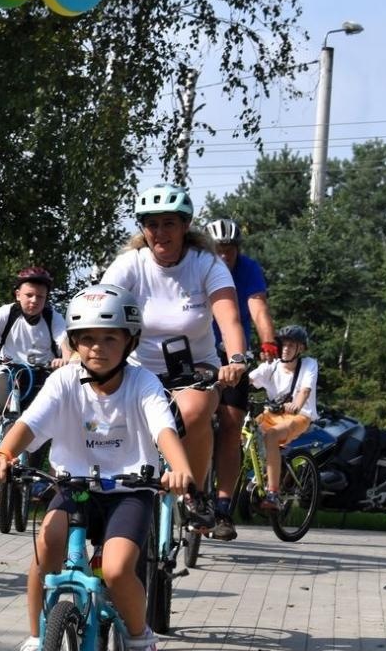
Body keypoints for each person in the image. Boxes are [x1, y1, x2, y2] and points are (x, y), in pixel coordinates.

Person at [0, 284, 194, 651]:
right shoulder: (64, 380)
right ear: (75, 343)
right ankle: (35, 640)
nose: (97, 347)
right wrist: (4, 454)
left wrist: (181, 469)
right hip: (75, 486)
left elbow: (163, 429)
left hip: (129, 491)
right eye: (87, 339)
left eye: (109, 337)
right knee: (47, 543)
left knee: (116, 570)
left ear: (129, 341)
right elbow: (30, 423)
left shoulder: (143, 383)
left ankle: (140, 643)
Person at [101, 184, 248, 540]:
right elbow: (100, 308)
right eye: (152, 225)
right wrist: (76, 353)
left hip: (195, 370)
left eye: (169, 223)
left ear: (185, 226)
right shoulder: (130, 264)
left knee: (195, 411)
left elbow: (228, 318)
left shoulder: (206, 264)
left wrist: (237, 359)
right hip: (140, 370)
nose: (160, 233)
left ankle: (194, 494)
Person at [204, 218, 278, 525]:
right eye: (217, 250)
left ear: (237, 250)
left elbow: (257, 307)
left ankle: (223, 505)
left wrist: (269, 341)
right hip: (198, 353)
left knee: (232, 425)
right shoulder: (195, 266)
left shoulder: (248, 269)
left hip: (232, 355)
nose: (223, 256)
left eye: (229, 250)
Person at [0, 266, 67, 440]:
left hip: (42, 372)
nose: (34, 300)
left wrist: (65, 360)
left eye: (40, 297)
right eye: (29, 295)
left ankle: (32, 462)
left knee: (41, 421)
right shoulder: (8, 312)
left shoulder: (53, 317)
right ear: (17, 295)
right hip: (8, 371)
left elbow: (65, 342)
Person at [249, 325, 318, 511]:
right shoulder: (271, 366)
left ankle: (273, 492)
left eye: (291, 345)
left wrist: (296, 404)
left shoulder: (309, 364)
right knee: (243, 431)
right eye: (283, 345)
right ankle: (261, 471)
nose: (285, 348)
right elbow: (249, 379)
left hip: (298, 416)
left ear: (301, 348)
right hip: (271, 414)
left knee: (271, 435)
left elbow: (305, 390)